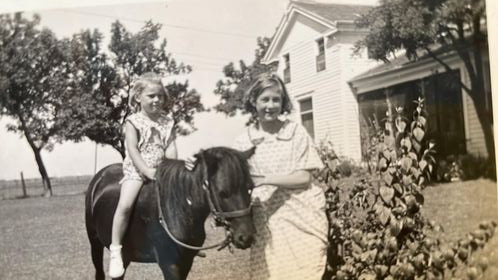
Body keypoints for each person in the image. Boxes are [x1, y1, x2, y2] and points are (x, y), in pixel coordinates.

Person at [233, 73, 328, 280]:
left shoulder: (295, 132)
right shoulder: (243, 142)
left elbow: (303, 177)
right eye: (264, 99)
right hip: (267, 222)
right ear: (253, 101)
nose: (270, 105)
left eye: (276, 99)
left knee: (307, 272)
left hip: (303, 216)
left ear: (283, 102)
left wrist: (263, 179)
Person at [109, 73, 177, 278]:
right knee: (126, 204)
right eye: (151, 96)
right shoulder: (133, 121)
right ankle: (115, 249)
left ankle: (184, 240)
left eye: (160, 96)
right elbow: (132, 149)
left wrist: (171, 169)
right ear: (138, 97)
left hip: (162, 170)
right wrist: (146, 171)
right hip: (137, 169)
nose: (157, 100)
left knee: (180, 199)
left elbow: (171, 147)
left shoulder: (168, 121)